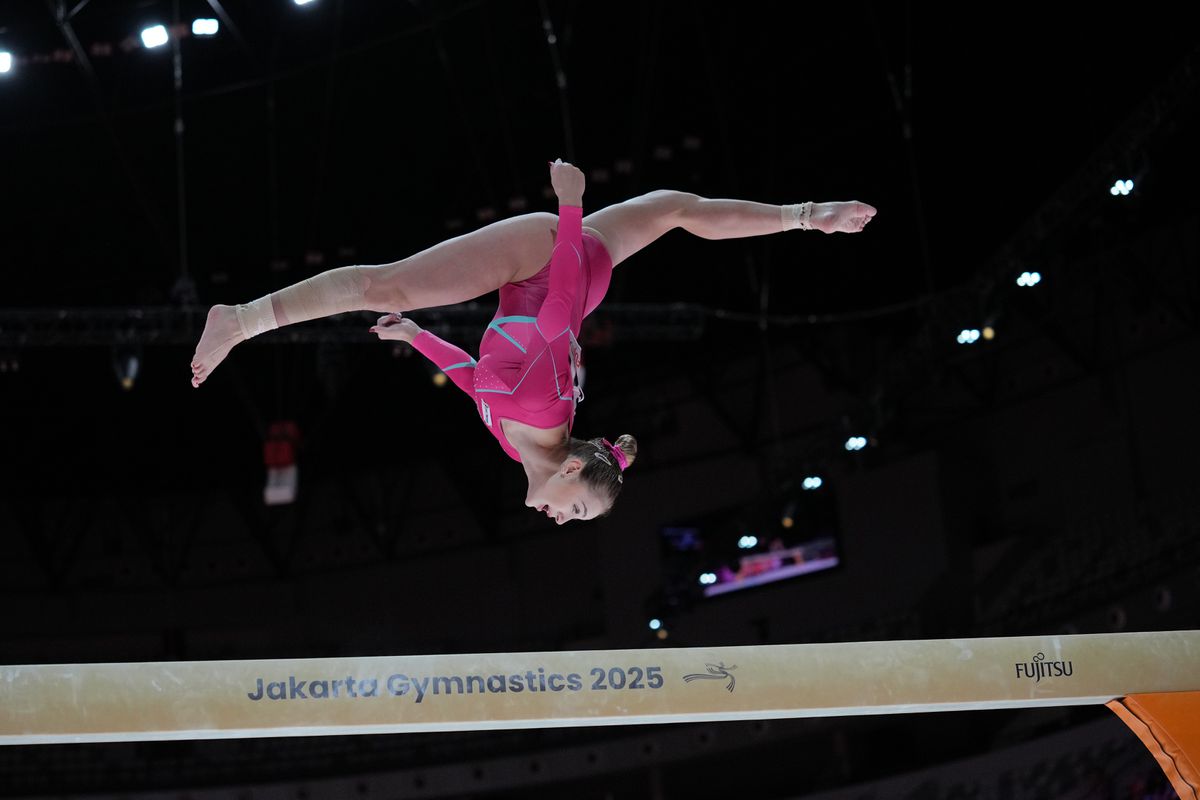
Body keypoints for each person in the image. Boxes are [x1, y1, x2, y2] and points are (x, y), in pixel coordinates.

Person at [190, 159, 876, 523]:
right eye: (576, 511)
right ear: (572, 470)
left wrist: (419, 338)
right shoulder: (547, 410)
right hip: (555, 264)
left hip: (573, 270)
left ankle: (808, 214)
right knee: (385, 284)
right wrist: (572, 207)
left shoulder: (512, 439)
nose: (561, 520)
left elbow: (470, 382)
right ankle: (241, 319)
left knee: (674, 210)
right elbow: (557, 314)